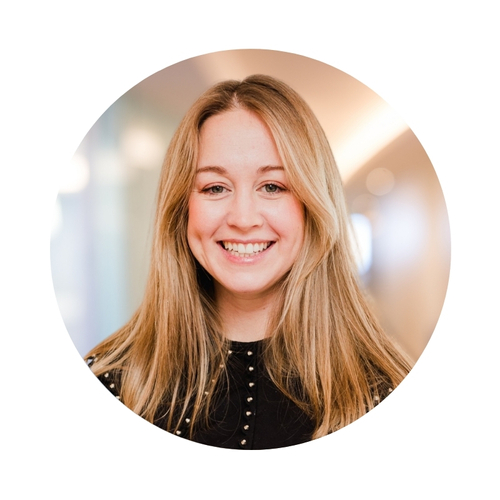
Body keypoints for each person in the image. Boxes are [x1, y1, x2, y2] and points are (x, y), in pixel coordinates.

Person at [86, 74, 412, 449]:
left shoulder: (388, 392)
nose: (243, 218)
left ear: (314, 206)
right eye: (215, 187)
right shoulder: (108, 383)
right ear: (182, 209)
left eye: (272, 186)